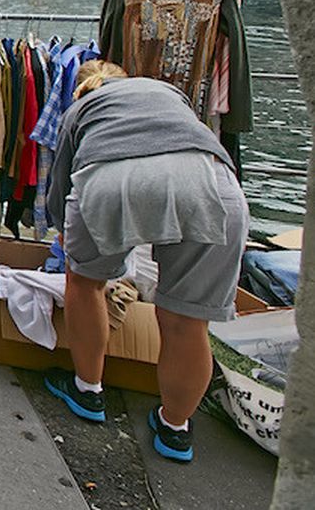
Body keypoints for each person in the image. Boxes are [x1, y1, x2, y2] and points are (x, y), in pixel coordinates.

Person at [43, 61, 248, 463]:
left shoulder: (80, 109)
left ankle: (88, 390)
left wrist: (66, 238)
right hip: (210, 182)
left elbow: (60, 183)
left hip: (113, 178)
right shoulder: (167, 92)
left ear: (81, 89)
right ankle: (174, 429)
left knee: (86, 284)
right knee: (187, 320)